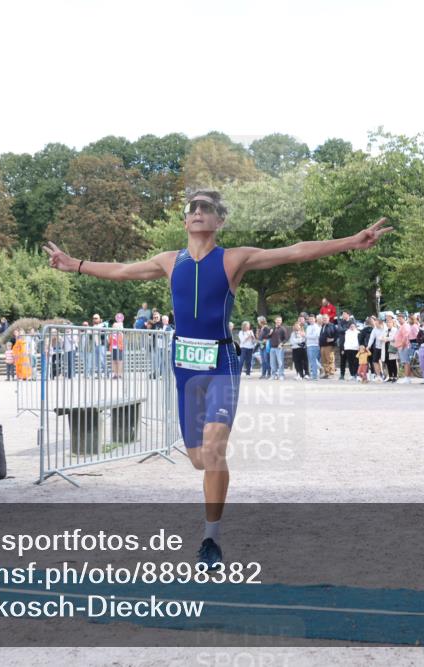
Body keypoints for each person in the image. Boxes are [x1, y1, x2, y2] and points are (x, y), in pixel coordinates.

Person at [43, 189, 391, 567]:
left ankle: (211, 539)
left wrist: (350, 242)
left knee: (213, 450)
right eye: (191, 208)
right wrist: (74, 264)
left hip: (221, 363)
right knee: (198, 459)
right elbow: (123, 271)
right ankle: (211, 505)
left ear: (219, 221)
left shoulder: (233, 259)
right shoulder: (169, 261)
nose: (197, 212)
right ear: (184, 220)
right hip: (184, 367)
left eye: (205, 208)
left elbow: (294, 251)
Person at [318, 313, 338, 379]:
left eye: (325, 318)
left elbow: (337, 334)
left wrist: (332, 339)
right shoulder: (323, 326)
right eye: (323, 318)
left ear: (328, 319)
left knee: (330, 359)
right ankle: (326, 373)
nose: (324, 319)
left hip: (329, 346)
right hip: (322, 346)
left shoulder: (332, 325)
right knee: (324, 360)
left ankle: (331, 373)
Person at [305, 315, 322, 380]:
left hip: (315, 345)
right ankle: (318, 370)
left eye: (312, 319)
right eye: (310, 319)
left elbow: (316, 336)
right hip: (308, 345)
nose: (311, 320)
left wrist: (306, 336)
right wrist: (307, 337)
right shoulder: (308, 327)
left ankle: (315, 375)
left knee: (313, 360)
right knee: (311, 361)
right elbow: (308, 336)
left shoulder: (317, 327)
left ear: (315, 319)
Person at [110, 314, 125, 379]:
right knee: (114, 361)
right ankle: (115, 374)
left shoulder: (121, 333)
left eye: (115, 326)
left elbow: (121, 326)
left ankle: (119, 374)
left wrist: (120, 324)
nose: (114, 327)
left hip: (119, 347)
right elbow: (109, 341)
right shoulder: (111, 334)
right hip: (113, 347)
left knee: (119, 361)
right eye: (114, 326)